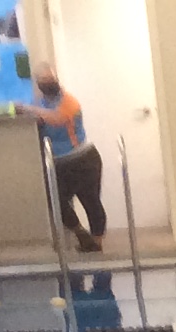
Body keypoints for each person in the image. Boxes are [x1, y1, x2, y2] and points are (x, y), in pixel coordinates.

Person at [25, 73, 104, 252]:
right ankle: (81, 233)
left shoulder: (69, 101)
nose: (48, 84)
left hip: (83, 159)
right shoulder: (39, 103)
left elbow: (57, 118)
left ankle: (97, 243)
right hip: (58, 163)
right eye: (43, 81)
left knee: (91, 201)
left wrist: (29, 109)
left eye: (50, 79)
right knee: (56, 202)